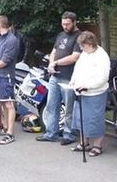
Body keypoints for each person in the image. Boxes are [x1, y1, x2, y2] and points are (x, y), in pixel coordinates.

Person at [36, 11, 81, 145]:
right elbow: (54, 51)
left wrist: (56, 63)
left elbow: (75, 57)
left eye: (67, 24)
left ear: (74, 22)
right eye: (63, 24)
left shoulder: (79, 37)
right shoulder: (61, 35)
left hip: (69, 78)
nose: (65, 27)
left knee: (68, 108)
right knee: (51, 106)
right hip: (55, 76)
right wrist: (51, 63)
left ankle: (68, 135)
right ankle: (51, 133)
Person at [69, 31, 110, 157]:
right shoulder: (85, 54)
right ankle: (84, 143)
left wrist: (87, 86)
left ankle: (97, 146)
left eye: (83, 45)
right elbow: (77, 68)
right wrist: (73, 81)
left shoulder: (101, 56)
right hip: (81, 92)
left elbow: (102, 78)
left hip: (95, 93)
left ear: (89, 44)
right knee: (81, 118)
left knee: (95, 119)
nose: (81, 48)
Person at [0, 15, 19, 145]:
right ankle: (5, 127)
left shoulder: (12, 40)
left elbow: (6, 60)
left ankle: (10, 133)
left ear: (0, 25)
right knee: (1, 102)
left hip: (5, 75)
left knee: (8, 103)